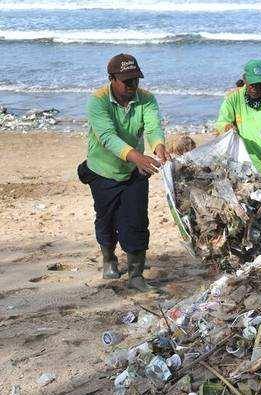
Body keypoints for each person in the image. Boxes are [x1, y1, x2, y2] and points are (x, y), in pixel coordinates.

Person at [79, 53, 169, 292]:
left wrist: (159, 145)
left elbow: (153, 127)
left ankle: (136, 274)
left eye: (135, 81)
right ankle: (109, 258)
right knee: (106, 218)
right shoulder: (97, 101)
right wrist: (138, 156)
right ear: (112, 79)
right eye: (126, 81)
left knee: (136, 219)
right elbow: (107, 137)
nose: (132, 86)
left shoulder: (147, 99)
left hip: (133, 171)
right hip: (103, 170)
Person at [214, 59, 261, 255]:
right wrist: (227, 128)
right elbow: (222, 122)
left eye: (260, 84)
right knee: (238, 216)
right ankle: (239, 256)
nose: (256, 88)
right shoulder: (233, 99)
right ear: (245, 80)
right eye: (252, 84)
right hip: (237, 170)